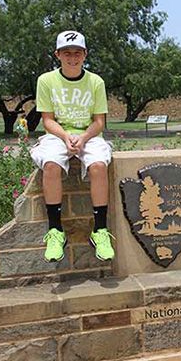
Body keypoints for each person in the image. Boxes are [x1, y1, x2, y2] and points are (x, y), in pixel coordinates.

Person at [30, 30, 115, 262]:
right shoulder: (46, 80)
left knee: (98, 165)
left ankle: (100, 230)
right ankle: (56, 230)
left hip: (88, 134)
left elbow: (99, 122)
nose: (72, 57)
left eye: (77, 52)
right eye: (67, 53)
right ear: (58, 54)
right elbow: (47, 120)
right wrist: (66, 136)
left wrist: (84, 138)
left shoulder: (95, 81)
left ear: (85, 54)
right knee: (50, 165)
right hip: (58, 134)